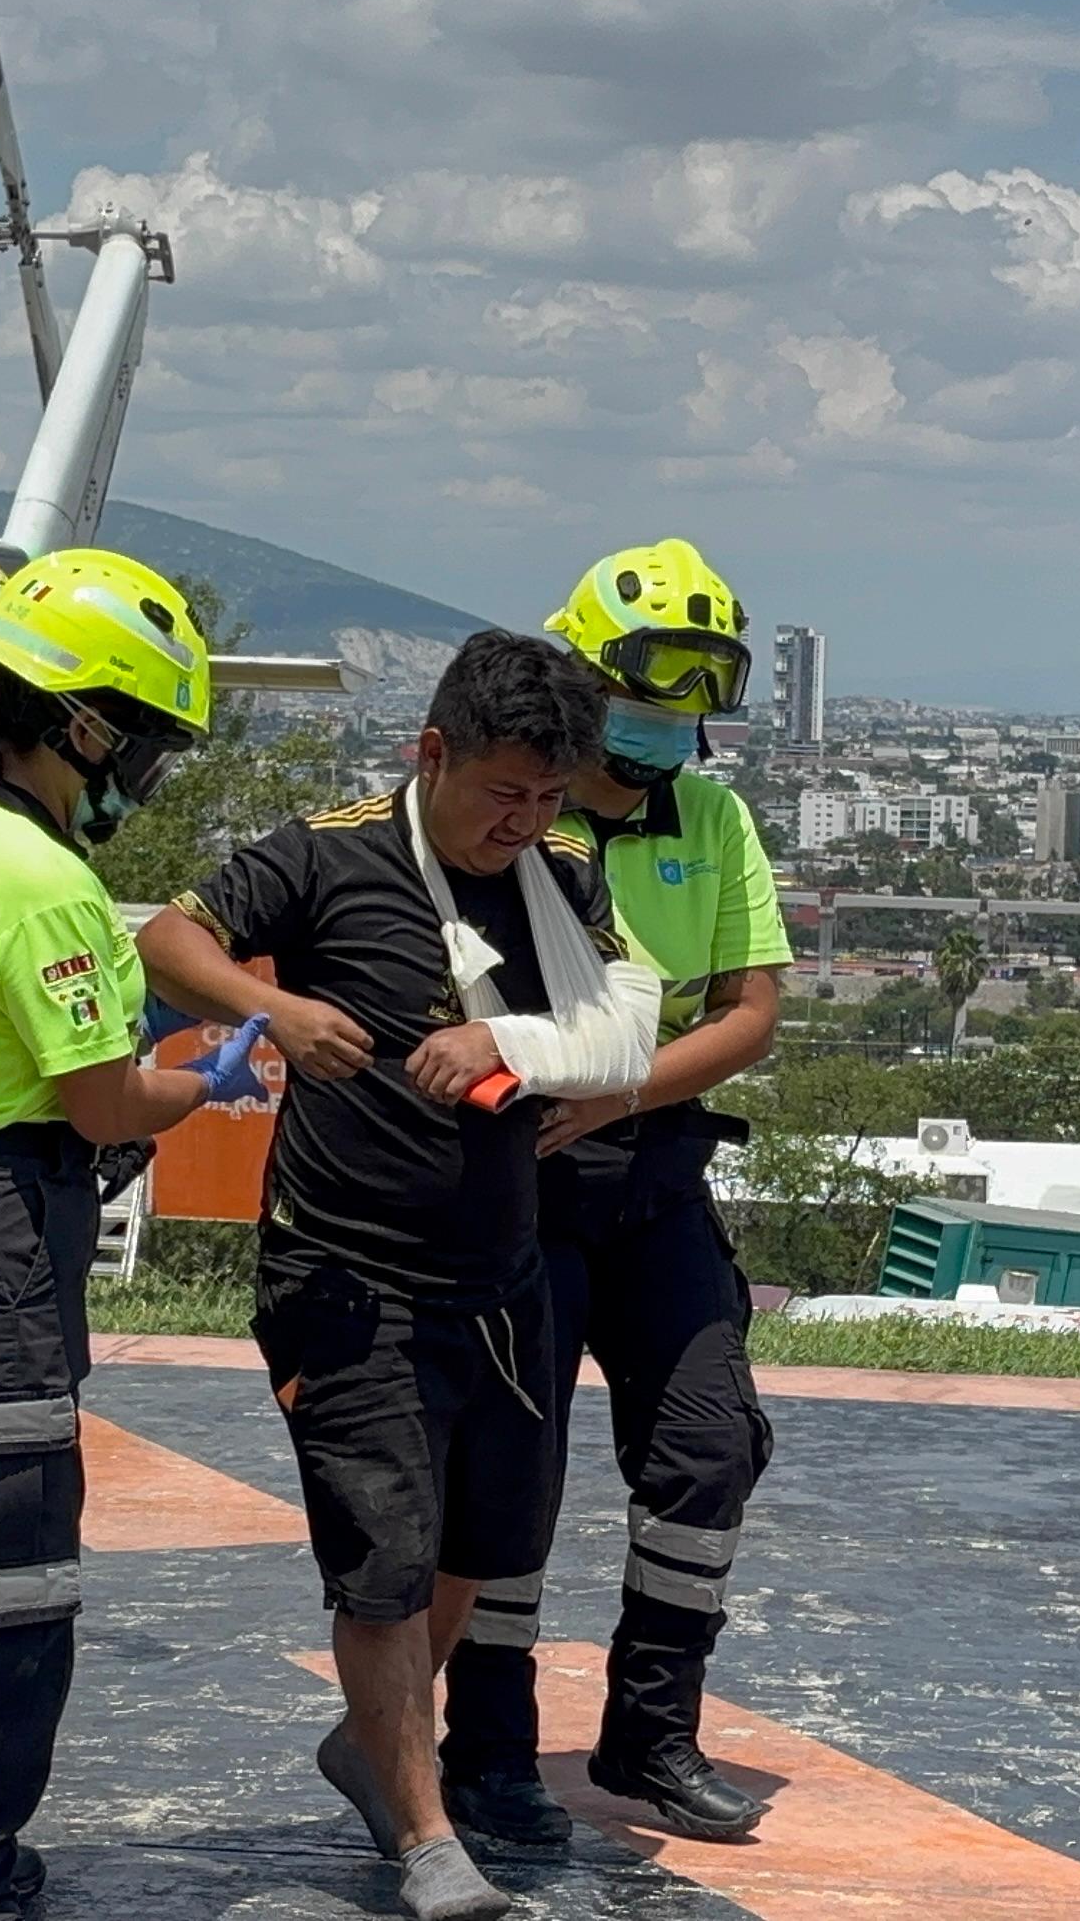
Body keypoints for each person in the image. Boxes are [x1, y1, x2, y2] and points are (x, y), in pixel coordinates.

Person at [141, 631, 639, 1921]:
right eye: (501, 796)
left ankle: (373, 1744)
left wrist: (529, 1053)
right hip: (346, 1272)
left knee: (482, 1542)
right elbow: (168, 937)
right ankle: (427, 1841)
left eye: (548, 799)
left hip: (503, 1272)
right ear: (431, 755)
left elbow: (622, 1025)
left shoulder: (563, 875)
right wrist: (282, 1016)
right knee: (382, 1558)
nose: (523, 824)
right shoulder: (327, 850)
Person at [0, 545, 262, 1921]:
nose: (144, 762)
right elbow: (95, 1106)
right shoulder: (43, 881)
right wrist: (204, 1075)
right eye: (141, 735)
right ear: (86, 723)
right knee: (13, 1578)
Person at [439, 541, 785, 1845]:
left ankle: (654, 1734)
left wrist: (621, 1091)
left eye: (697, 697)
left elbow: (750, 1014)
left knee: (708, 1451)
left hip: (653, 1174)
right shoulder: (506, 812)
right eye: (649, 690)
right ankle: (488, 1754)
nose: (667, 725)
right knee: (508, 1479)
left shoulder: (714, 819)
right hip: (519, 1187)